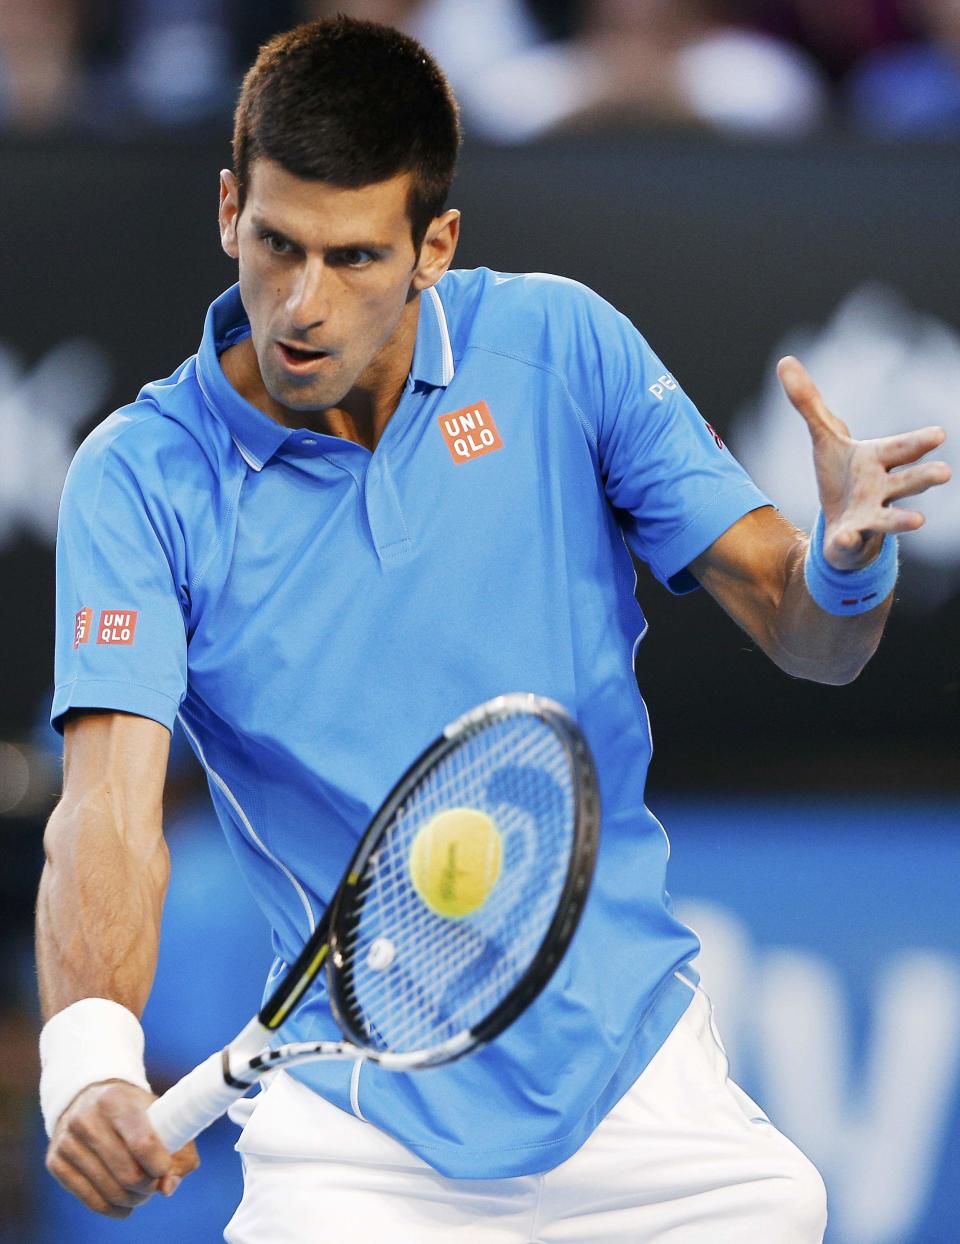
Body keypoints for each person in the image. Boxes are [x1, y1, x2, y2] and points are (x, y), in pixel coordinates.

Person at [35, 16, 950, 1243]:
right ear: (225, 212)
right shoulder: (139, 479)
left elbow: (811, 638)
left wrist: (842, 565)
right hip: (358, 1135)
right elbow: (108, 811)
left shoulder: (559, 346)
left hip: (638, 1090)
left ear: (435, 245)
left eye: (354, 258)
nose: (301, 305)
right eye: (276, 244)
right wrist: (90, 1055)